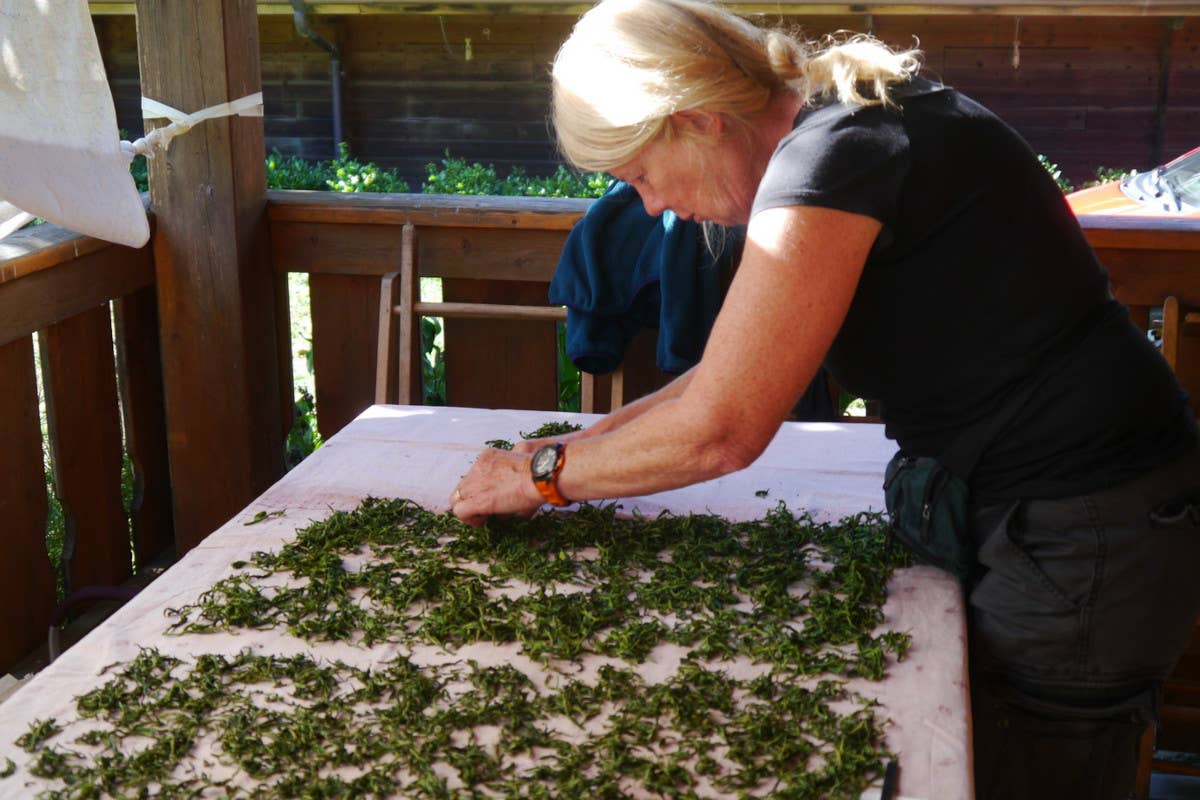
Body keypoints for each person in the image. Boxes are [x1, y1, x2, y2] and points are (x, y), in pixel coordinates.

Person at [448, 0, 1200, 796]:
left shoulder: (835, 156)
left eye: (638, 175)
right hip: (1049, 507)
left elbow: (724, 432)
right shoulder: (841, 130)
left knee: (1022, 777)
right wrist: (568, 452)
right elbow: (718, 376)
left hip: (1086, 523)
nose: (651, 207)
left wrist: (545, 478)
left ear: (698, 121)